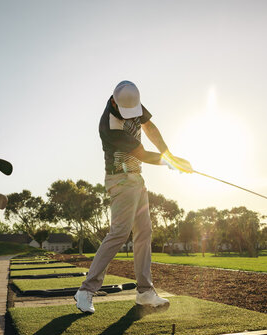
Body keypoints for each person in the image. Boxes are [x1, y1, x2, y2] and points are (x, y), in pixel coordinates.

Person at [74, 80, 193, 314]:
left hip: (136, 178)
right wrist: (172, 162)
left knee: (144, 233)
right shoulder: (109, 125)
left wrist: (168, 154)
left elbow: (150, 128)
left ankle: (144, 292)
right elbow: (140, 153)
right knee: (119, 233)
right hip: (120, 180)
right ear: (113, 102)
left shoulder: (133, 105)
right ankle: (86, 290)